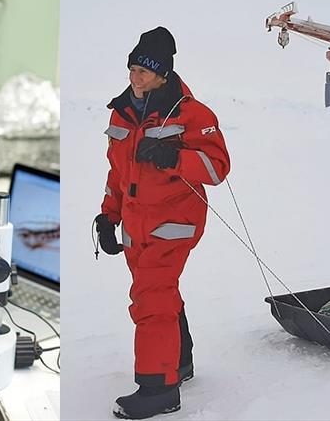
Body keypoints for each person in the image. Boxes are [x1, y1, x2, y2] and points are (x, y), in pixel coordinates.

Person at [94, 26, 231, 419]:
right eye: (132, 68)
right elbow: (117, 173)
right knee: (159, 293)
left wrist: (174, 158)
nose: (134, 77)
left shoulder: (192, 113)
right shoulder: (123, 111)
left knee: (152, 299)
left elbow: (217, 168)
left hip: (174, 222)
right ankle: (180, 364)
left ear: (163, 74)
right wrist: (109, 215)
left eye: (143, 71)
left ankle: (159, 390)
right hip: (136, 226)